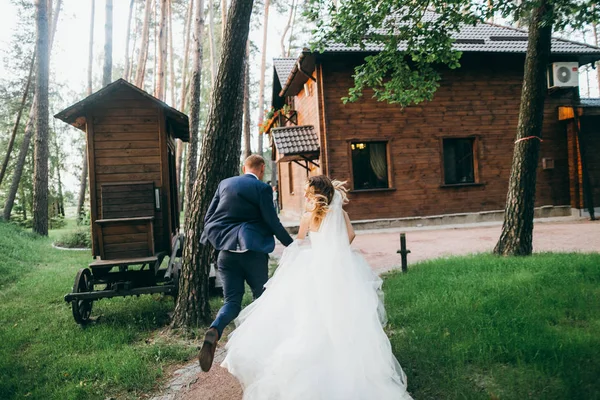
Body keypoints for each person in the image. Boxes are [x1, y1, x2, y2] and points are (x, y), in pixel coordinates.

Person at [220, 175, 414, 400]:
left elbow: (300, 243)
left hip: (312, 268)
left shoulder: (308, 217)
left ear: (317, 194)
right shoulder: (341, 214)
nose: (304, 195)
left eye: (308, 191)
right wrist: (335, 250)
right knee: (342, 316)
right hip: (339, 268)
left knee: (308, 316)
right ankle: (349, 363)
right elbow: (351, 236)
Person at [198, 154, 294, 372]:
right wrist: (291, 244)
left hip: (225, 253)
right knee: (262, 298)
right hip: (252, 252)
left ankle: (215, 329)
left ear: (244, 167)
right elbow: (272, 221)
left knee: (231, 301)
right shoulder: (261, 189)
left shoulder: (225, 184)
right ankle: (264, 349)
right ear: (260, 168)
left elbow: (209, 217)